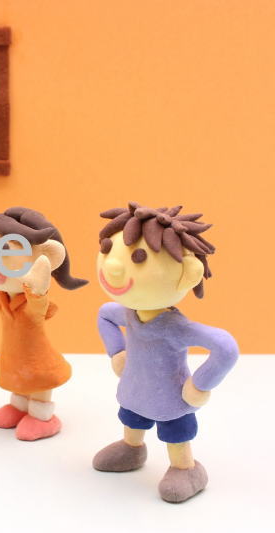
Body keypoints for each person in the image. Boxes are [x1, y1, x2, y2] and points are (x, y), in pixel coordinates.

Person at [93, 202, 238, 503]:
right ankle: (132, 448)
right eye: (108, 250)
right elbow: (105, 315)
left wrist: (200, 385)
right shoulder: (129, 313)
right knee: (131, 418)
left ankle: (187, 469)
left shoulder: (175, 326)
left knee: (175, 433)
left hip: (170, 398)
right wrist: (117, 353)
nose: (113, 266)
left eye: (139, 258)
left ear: (188, 274)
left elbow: (225, 347)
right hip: (135, 390)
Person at [0, 207, 87, 440]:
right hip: (15, 360)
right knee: (19, 384)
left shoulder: (30, 303)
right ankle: (19, 407)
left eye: (4, 250)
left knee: (38, 386)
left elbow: (37, 310)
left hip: (39, 362)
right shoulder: (2, 299)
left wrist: (37, 290)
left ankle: (42, 417)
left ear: (47, 257)